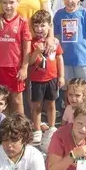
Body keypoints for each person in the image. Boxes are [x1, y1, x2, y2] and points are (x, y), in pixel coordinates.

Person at [0, 0, 32, 116]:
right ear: (1, 3)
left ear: (18, 2)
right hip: (0, 67)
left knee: (17, 100)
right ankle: (5, 128)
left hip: (15, 67)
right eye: (5, 3)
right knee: (2, 99)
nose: (8, 6)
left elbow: (27, 47)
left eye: (12, 2)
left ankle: (21, 128)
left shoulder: (22, 22)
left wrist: (24, 67)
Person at [28, 9, 64, 147]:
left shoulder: (54, 41)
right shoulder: (31, 42)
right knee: (36, 105)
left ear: (49, 26)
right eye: (36, 26)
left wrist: (61, 76)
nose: (39, 29)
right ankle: (37, 129)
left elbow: (59, 57)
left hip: (52, 78)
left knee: (51, 103)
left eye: (42, 26)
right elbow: (30, 62)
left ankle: (52, 127)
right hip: (36, 80)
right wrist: (37, 51)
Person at [55, 0, 86, 85]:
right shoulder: (59, 14)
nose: (70, 1)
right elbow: (56, 36)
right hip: (65, 59)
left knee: (85, 86)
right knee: (67, 86)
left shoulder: (84, 13)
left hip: (82, 58)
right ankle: (67, 102)